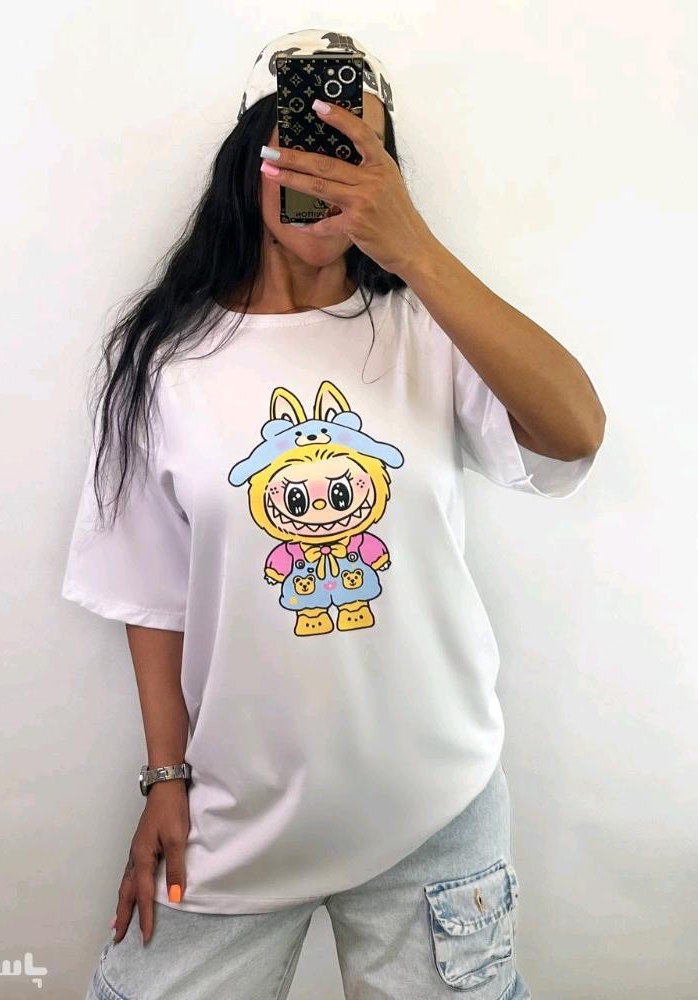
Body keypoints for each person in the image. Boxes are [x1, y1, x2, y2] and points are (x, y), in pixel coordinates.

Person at [62, 27, 605, 1000]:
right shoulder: (168, 363)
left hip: (434, 811)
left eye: (357, 150)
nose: (329, 173)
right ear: (251, 160)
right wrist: (165, 779)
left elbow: (576, 431)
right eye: (304, 143)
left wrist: (415, 250)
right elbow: (151, 594)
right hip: (236, 815)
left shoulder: (425, 330)